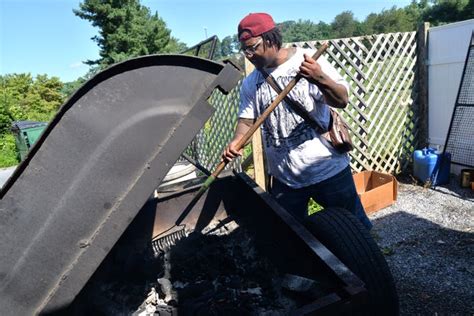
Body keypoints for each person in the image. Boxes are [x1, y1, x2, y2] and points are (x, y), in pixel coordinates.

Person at [222, 12, 372, 230]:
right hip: (286, 180)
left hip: (327, 169)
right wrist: (237, 142)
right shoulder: (251, 83)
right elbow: (246, 121)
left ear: (270, 39)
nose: (248, 55)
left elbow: (342, 100)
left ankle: (366, 263)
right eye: (244, 49)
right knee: (292, 238)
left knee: (357, 229)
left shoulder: (309, 61)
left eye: (252, 47)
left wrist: (319, 77)